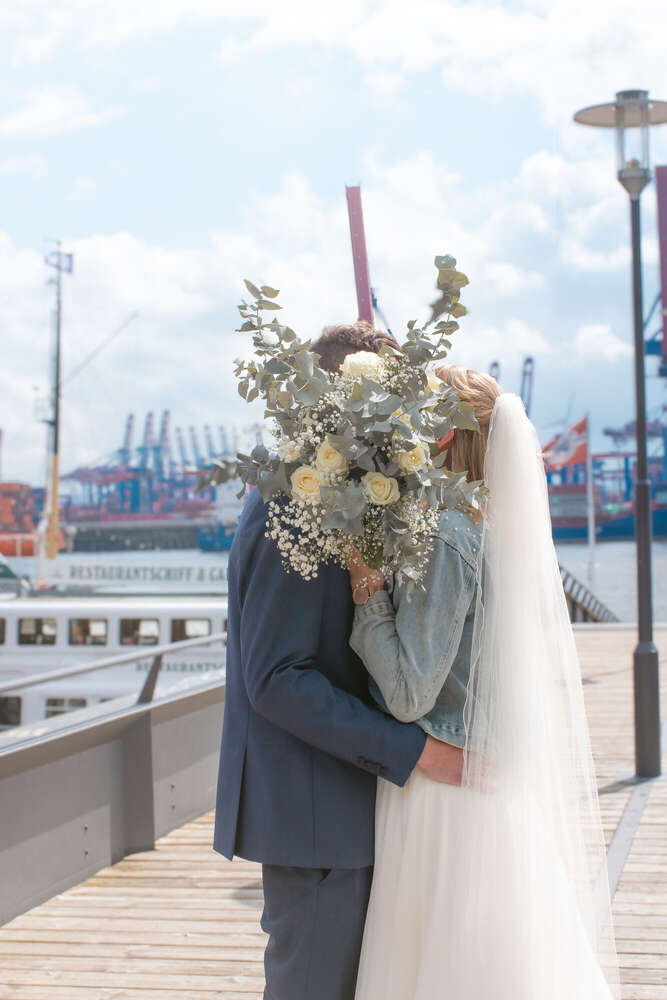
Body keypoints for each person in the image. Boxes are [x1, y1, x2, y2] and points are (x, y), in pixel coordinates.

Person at [349, 365, 620, 1000]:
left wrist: (366, 588)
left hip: (445, 788)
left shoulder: (446, 535)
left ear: (442, 436)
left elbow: (410, 694)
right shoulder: (487, 529)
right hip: (485, 778)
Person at [213, 322, 464, 1000]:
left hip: (346, 806)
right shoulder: (294, 499)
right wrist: (417, 753)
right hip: (316, 815)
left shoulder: (336, 492)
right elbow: (276, 680)